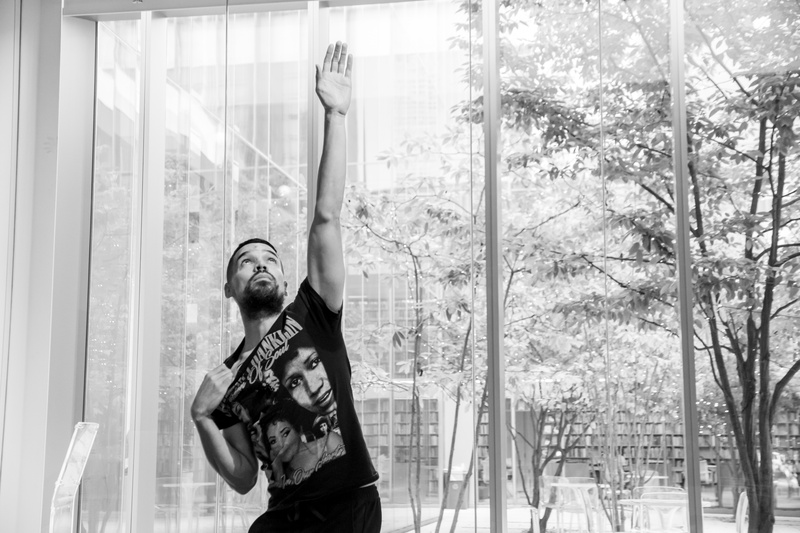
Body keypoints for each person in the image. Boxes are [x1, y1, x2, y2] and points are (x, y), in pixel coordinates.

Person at [190, 42, 381, 532]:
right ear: (229, 287)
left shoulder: (312, 313)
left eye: (270, 260)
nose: (260, 265)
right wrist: (203, 418)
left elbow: (326, 215)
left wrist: (335, 115)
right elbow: (242, 478)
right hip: (284, 518)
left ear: (282, 277)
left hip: (347, 506)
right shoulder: (225, 382)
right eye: (245, 262)